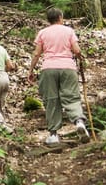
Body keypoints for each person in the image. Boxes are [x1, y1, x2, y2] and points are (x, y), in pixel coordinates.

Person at [27, 8, 89, 145]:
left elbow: (37, 54)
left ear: (48, 19)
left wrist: (31, 70)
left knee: (52, 100)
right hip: (68, 67)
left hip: (48, 68)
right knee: (71, 96)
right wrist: (80, 58)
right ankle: (79, 121)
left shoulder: (43, 33)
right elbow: (77, 50)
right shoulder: (69, 31)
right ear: (60, 17)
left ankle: (54, 135)